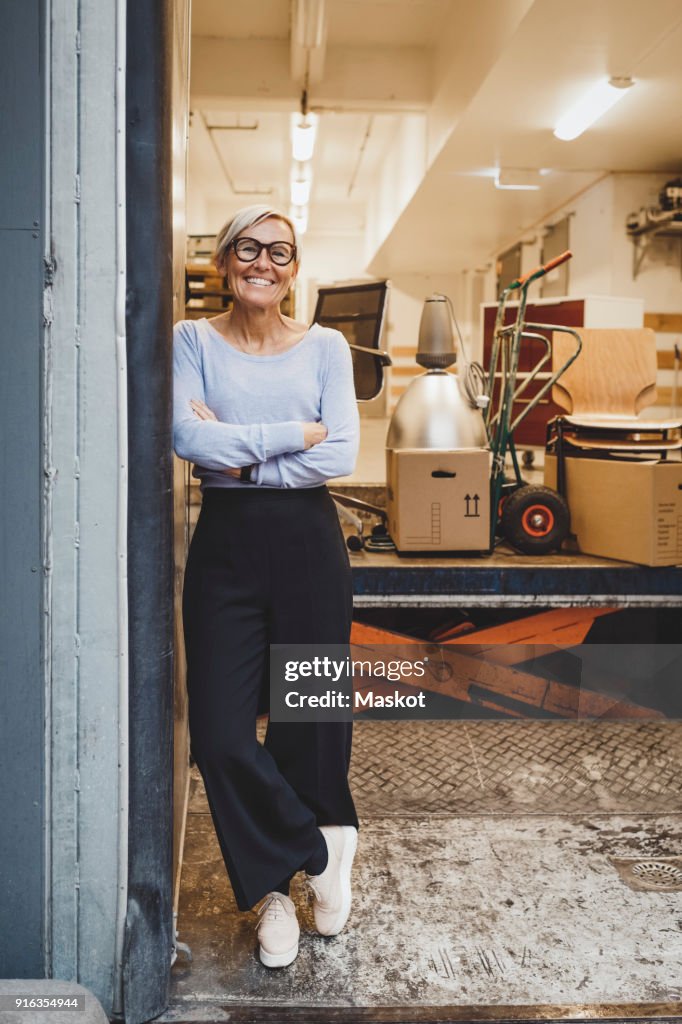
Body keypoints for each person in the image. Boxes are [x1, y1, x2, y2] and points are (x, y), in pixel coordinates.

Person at [173, 205, 360, 969]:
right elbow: (187, 440)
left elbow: (341, 451)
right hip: (224, 548)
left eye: (280, 252)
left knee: (307, 724)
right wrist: (293, 434)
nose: (264, 262)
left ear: (294, 266)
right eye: (248, 248)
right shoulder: (192, 341)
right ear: (224, 261)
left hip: (309, 546)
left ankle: (284, 894)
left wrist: (240, 458)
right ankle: (317, 853)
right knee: (218, 736)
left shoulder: (326, 348)